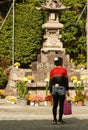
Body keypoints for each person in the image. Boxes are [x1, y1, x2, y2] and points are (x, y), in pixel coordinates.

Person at [49, 57, 69, 124]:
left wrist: (50, 90)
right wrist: (67, 90)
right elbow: (66, 81)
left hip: (54, 88)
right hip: (62, 88)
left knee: (55, 104)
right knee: (61, 105)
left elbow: (50, 81)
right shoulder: (64, 70)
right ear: (61, 62)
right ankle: (60, 120)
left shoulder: (52, 71)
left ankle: (54, 120)